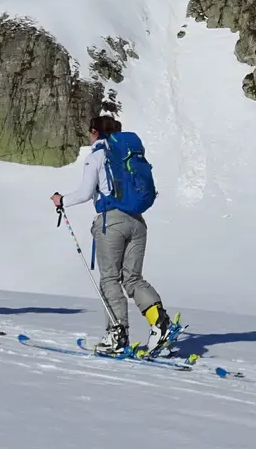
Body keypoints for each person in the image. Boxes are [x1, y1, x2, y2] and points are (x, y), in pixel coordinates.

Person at [50, 114, 175, 357]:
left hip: (112, 222)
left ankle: (117, 335)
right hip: (137, 221)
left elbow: (86, 192)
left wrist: (61, 200)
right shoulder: (126, 155)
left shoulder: (96, 156)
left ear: (95, 132)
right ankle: (159, 322)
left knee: (109, 279)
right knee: (133, 279)